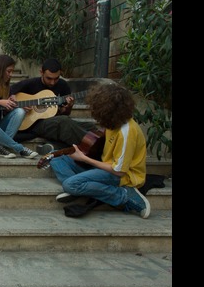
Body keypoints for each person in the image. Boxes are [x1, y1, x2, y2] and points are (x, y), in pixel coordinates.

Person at [49, 81, 151, 219]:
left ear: (107, 110)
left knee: (69, 184)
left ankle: (125, 196)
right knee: (56, 159)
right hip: (104, 167)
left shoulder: (126, 132)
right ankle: (82, 187)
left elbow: (119, 171)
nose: (94, 113)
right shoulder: (113, 122)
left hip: (123, 177)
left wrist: (84, 159)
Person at [10, 57, 97, 152]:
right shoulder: (31, 83)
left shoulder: (63, 85)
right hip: (34, 124)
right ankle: (93, 148)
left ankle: (54, 146)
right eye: (49, 78)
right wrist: (19, 105)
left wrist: (68, 107)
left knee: (90, 126)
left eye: (56, 78)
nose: (52, 82)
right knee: (64, 121)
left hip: (54, 123)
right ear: (41, 73)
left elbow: (64, 113)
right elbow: (8, 93)